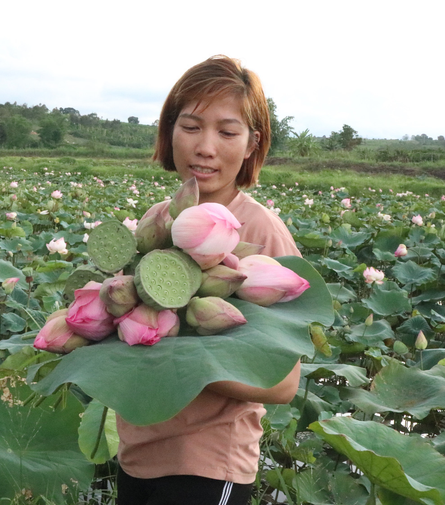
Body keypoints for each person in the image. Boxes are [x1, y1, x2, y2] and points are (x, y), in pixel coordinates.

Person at [116, 55, 303, 505]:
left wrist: (173, 358)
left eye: (226, 131)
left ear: (252, 143)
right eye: (192, 126)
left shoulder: (258, 233)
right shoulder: (158, 220)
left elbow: (282, 384)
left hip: (208, 462)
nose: (205, 147)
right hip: (138, 453)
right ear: (169, 130)